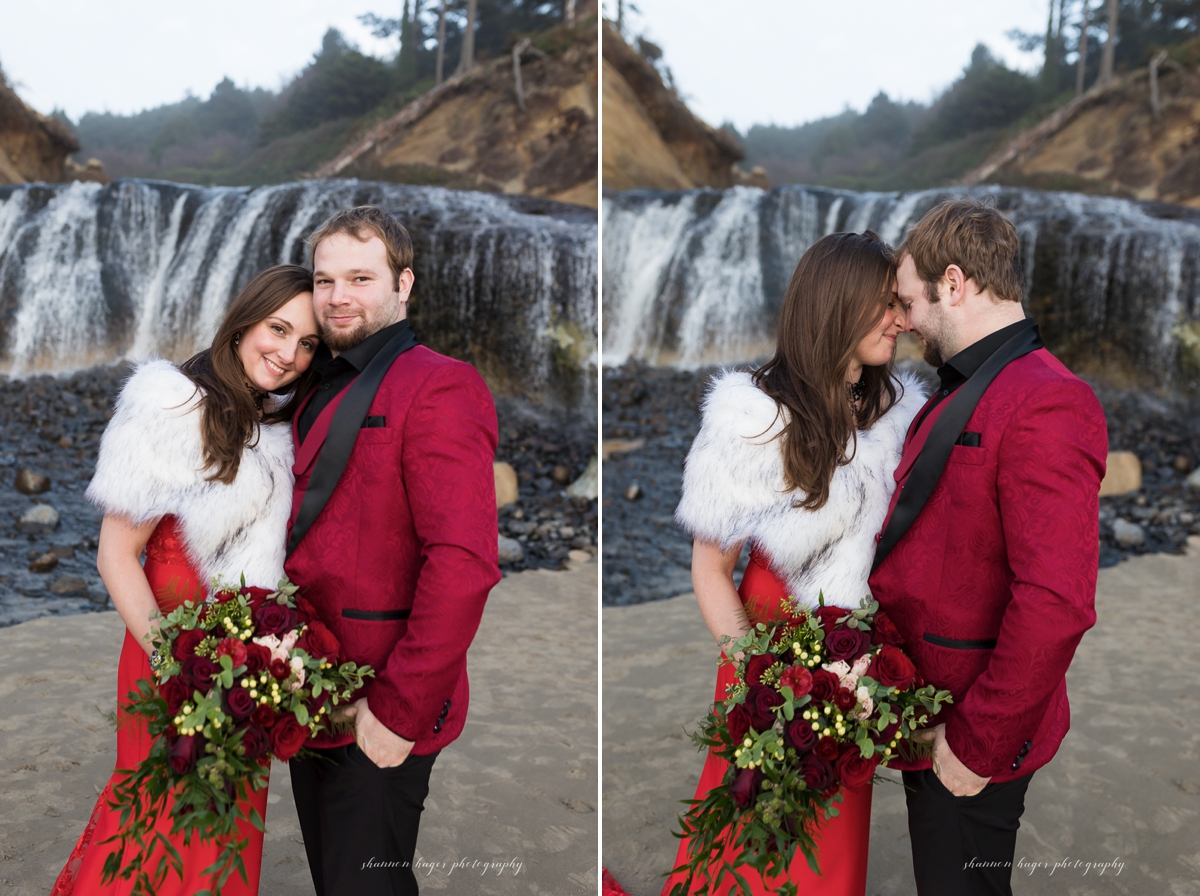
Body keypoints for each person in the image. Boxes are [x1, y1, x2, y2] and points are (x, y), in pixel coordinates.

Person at [661, 231, 927, 896]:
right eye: (885, 305)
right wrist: (754, 674)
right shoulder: (752, 418)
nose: (900, 320)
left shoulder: (903, 414)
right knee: (752, 810)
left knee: (831, 828)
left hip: (854, 659)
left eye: (900, 304)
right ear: (837, 305)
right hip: (765, 648)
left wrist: (867, 665)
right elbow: (710, 569)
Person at [50, 264, 321, 896]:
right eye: (279, 329)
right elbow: (115, 556)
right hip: (163, 653)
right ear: (243, 324)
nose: (288, 354)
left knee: (229, 817)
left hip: (248, 667)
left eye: (307, 343)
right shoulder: (172, 407)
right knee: (153, 809)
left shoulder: (284, 430)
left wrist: (271, 655)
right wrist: (172, 664)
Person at [868, 199, 1107, 896]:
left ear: (953, 283)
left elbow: (1056, 602)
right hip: (931, 708)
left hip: (973, 726)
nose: (904, 320)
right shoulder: (968, 385)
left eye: (909, 300)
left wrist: (978, 744)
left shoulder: (1050, 401)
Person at [283, 206, 500, 896]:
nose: (337, 296)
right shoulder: (307, 382)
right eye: (325, 280)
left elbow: (464, 564)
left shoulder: (442, 384)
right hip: (306, 690)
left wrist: (400, 710)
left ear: (403, 285)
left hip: (381, 699)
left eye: (360, 278)